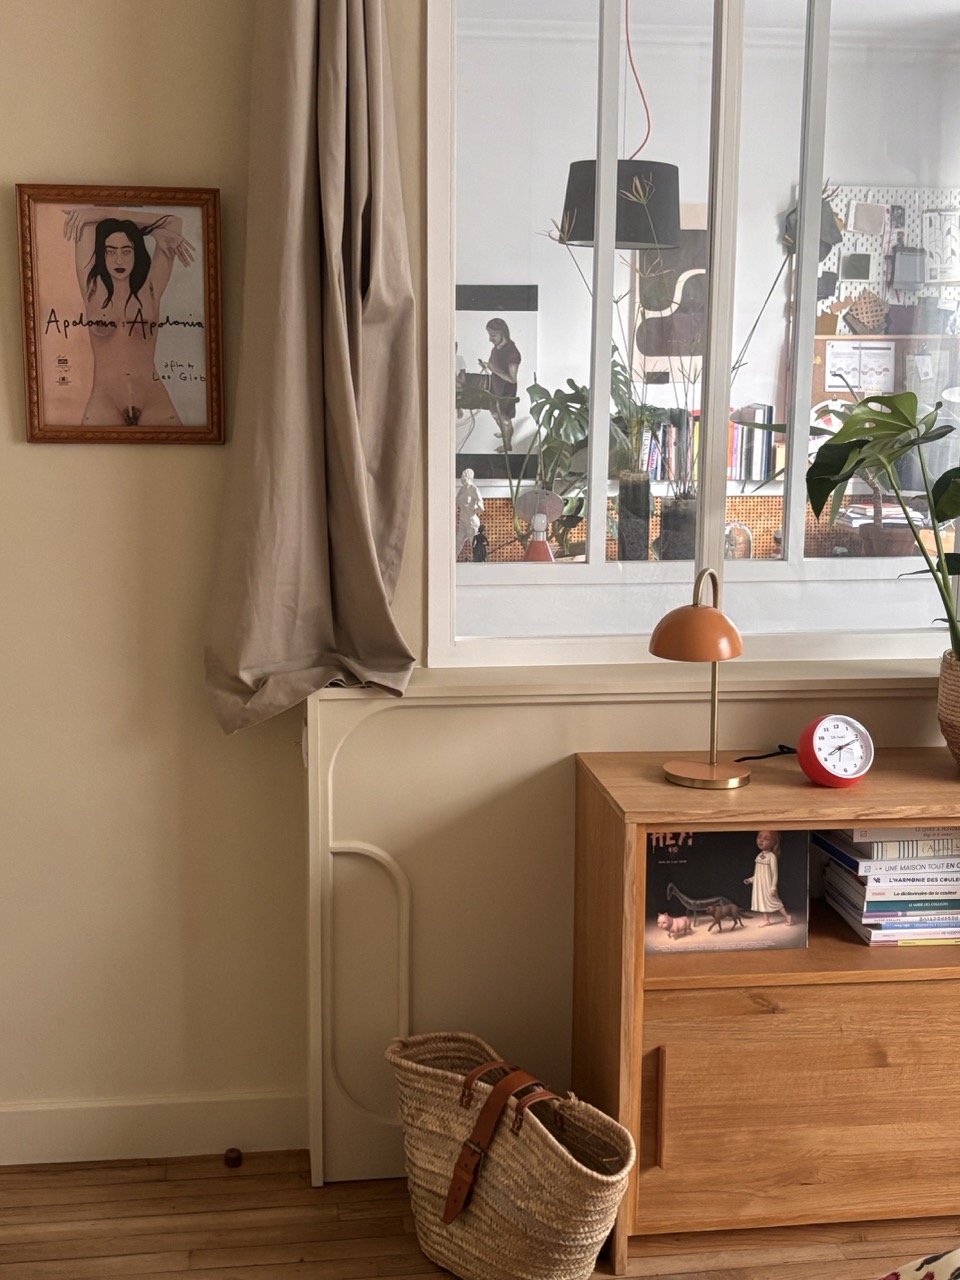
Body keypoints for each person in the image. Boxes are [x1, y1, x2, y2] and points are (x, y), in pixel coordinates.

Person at [63, 206, 196, 427]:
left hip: (153, 399)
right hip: (105, 400)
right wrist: (149, 230)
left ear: (136, 253)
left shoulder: (151, 288)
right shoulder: (92, 287)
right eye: (110, 251)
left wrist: (108, 214)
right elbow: (86, 220)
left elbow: (173, 223)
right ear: (102, 254)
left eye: (126, 251)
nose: (118, 260)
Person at [478, 317, 520, 453]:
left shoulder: (512, 353)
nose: (490, 339)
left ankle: (507, 444)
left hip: (506, 391)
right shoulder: (496, 349)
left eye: (493, 335)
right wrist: (487, 366)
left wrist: (493, 369)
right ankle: (503, 432)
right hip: (496, 387)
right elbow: (495, 366)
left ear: (503, 333)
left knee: (505, 419)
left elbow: (512, 379)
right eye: (489, 335)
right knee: (495, 413)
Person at [744, 829, 793, 926]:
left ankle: (787, 916)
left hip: (768, 885)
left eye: (766, 838)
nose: (761, 840)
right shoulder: (759, 856)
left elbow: (775, 873)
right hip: (759, 886)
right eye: (759, 837)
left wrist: (773, 886)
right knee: (762, 902)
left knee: (774, 901)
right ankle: (766, 920)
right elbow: (758, 873)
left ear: (773, 843)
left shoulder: (771, 857)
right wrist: (751, 879)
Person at [455, 467, 484, 557]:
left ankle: (480, 564)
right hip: (463, 521)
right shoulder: (462, 489)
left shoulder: (474, 489)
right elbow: (456, 502)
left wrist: (473, 510)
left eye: (464, 476)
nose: (462, 478)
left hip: (471, 522)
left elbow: (481, 506)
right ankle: (450, 563)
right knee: (457, 544)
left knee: (475, 544)